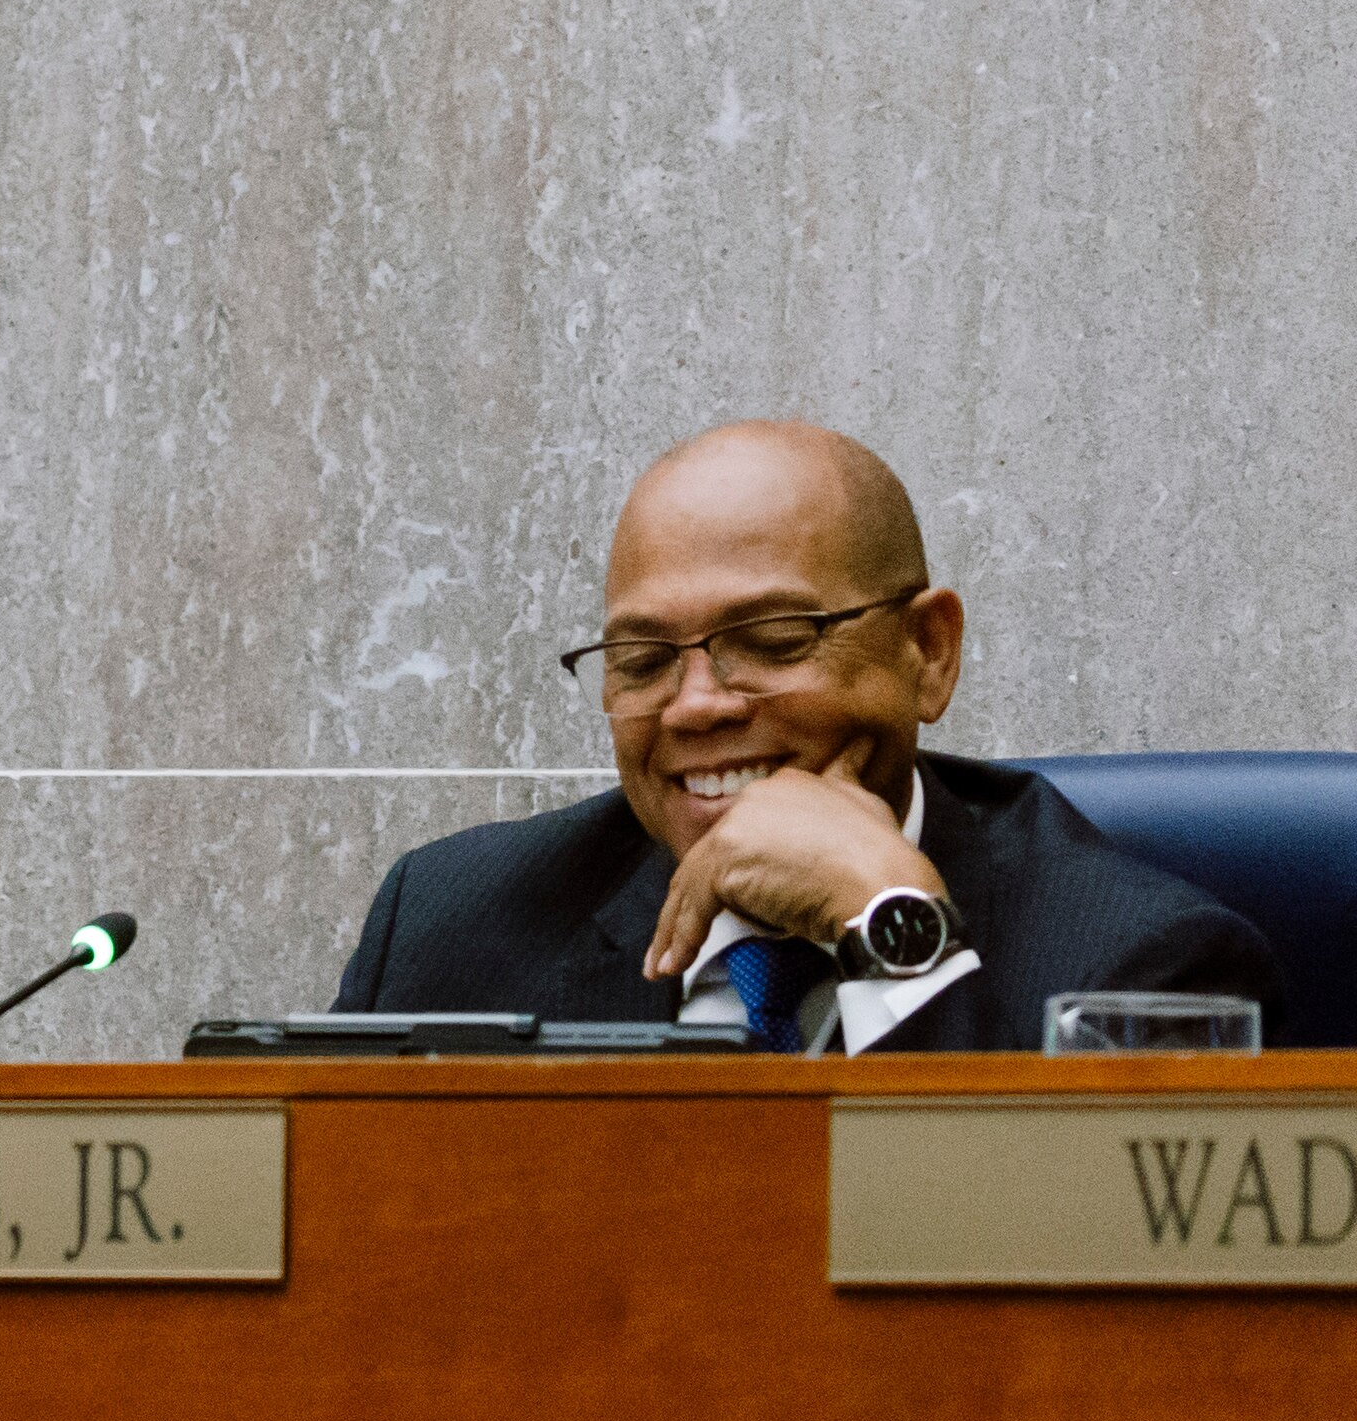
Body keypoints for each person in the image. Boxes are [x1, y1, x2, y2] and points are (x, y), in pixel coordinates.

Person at [333, 422, 1275, 1052]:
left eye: (774, 640)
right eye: (643, 658)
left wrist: (897, 935)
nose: (696, 705)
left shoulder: (1146, 966)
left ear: (928, 652)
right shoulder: (448, 929)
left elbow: (1070, 1326)